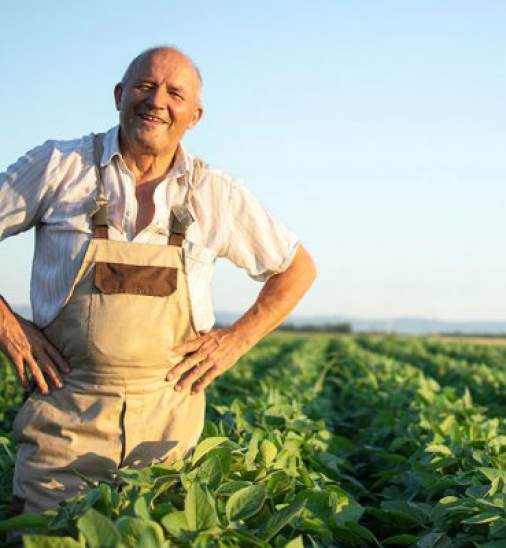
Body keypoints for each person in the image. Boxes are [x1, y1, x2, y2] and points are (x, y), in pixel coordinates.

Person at [0, 46, 316, 514]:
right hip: (63, 434)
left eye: (174, 93)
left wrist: (236, 340)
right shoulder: (59, 167)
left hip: (166, 445)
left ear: (195, 116)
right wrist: (7, 325)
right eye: (145, 86)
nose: (156, 101)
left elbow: (297, 269)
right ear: (119, 95)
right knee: (49, 538)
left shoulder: (214, 193)